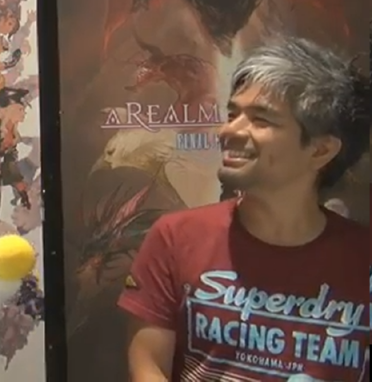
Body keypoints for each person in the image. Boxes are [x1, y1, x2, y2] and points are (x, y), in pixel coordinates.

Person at [120, 37, 370, 381]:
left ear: (320, 151)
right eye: (233, 114)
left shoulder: (363, 259)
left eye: (261, 120)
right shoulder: (176, 238)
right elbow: (148, 365)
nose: (229, 131)